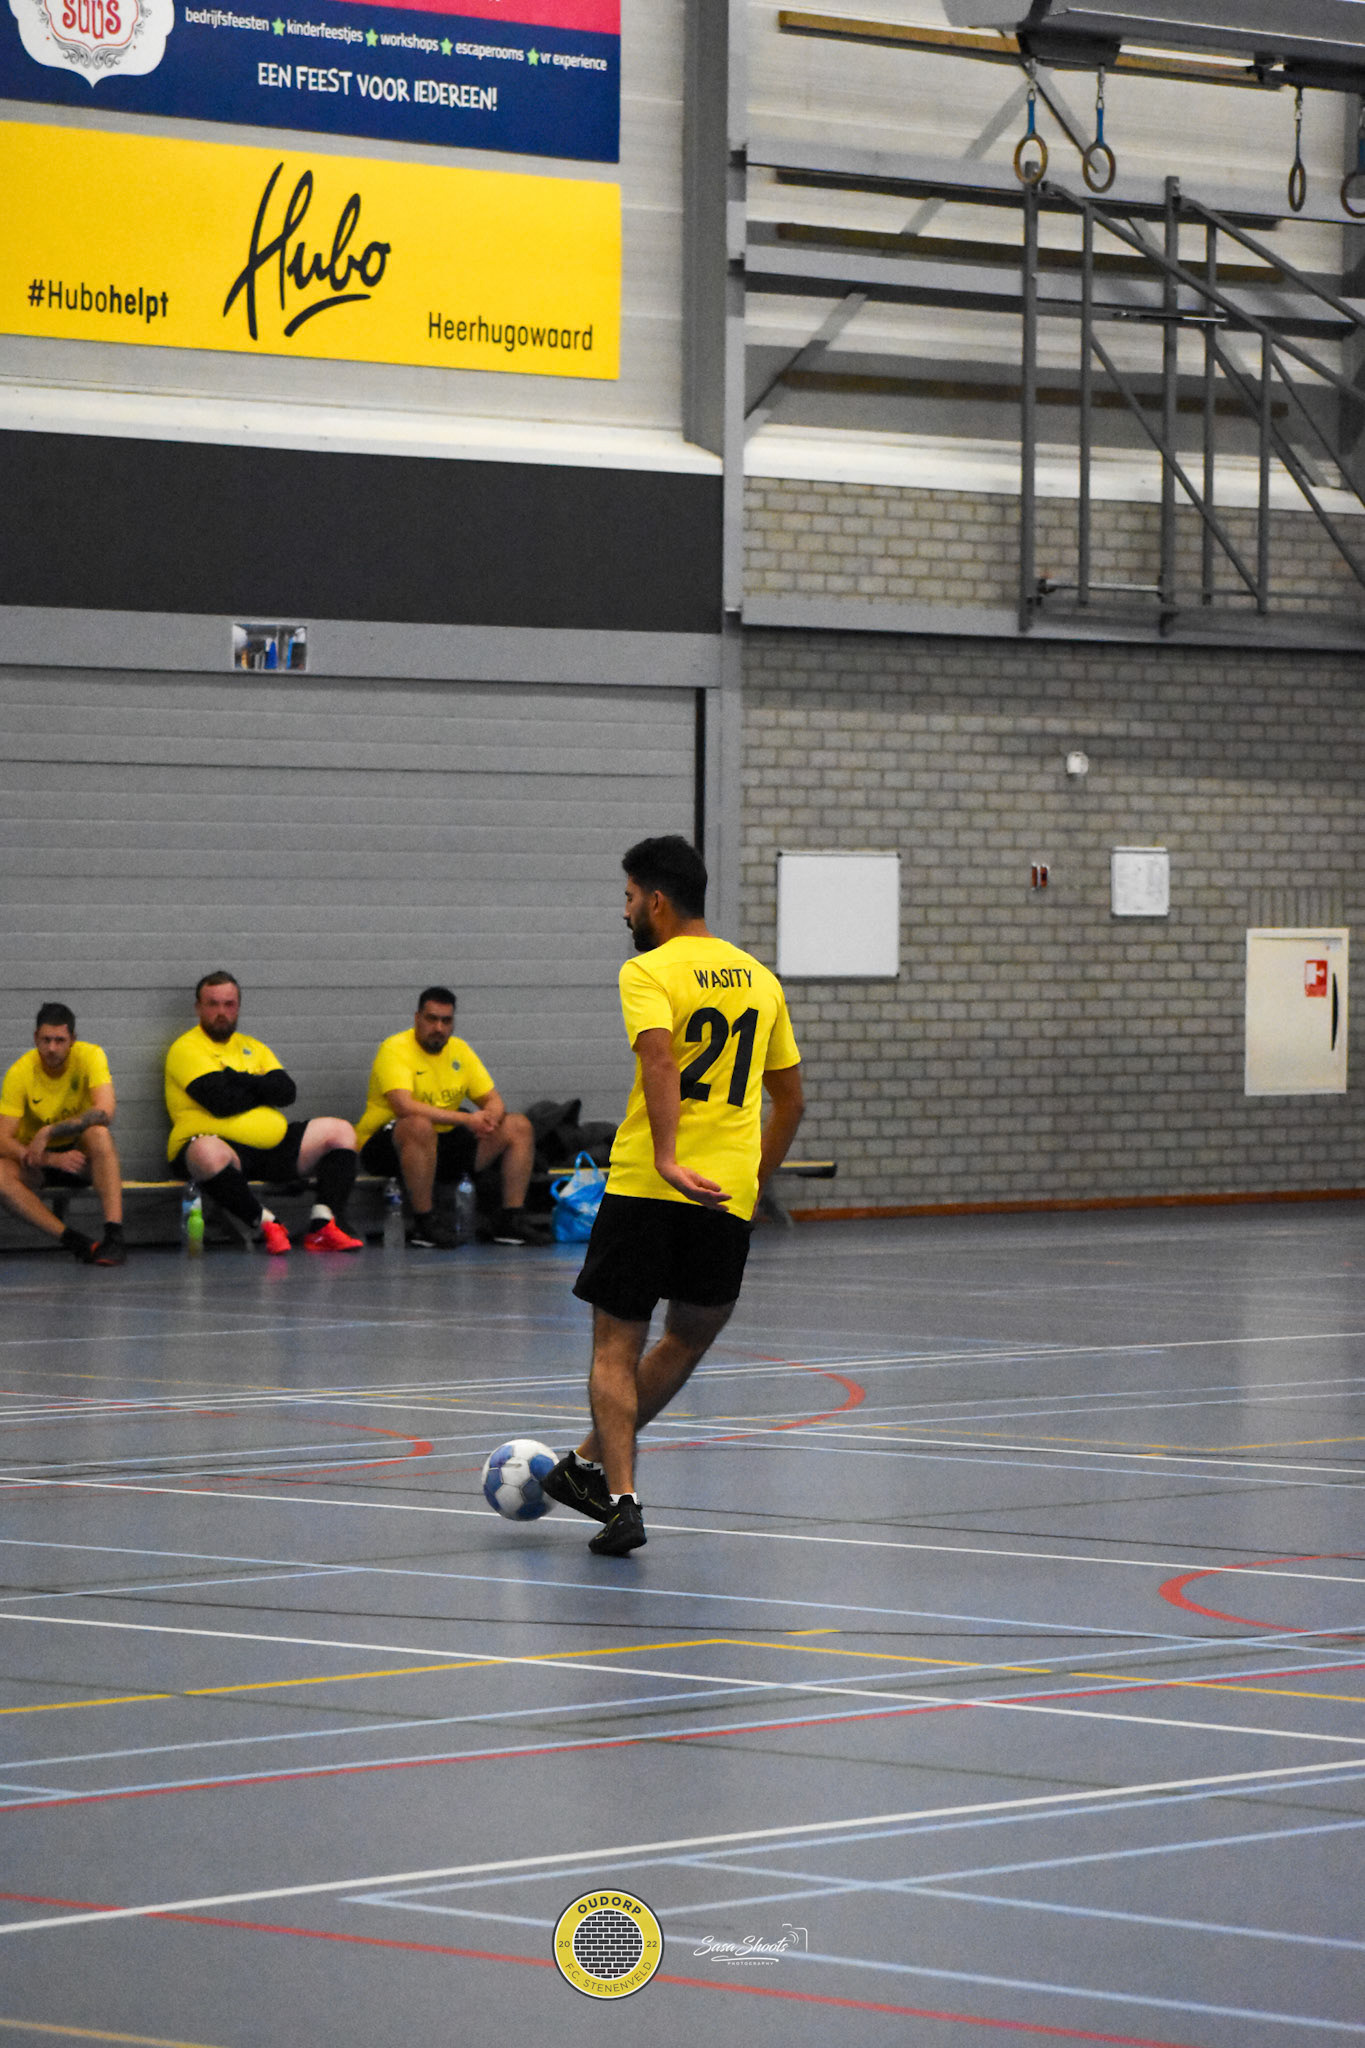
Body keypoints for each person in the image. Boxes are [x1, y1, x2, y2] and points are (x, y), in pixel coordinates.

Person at [544, 835, 804, 1556]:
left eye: (629, 897)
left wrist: (665, 1157)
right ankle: (585, 1468)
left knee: (614, 1345)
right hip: (723, 1196)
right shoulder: (760, 980)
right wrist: (753, 1183)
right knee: (687, 1337)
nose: (624, 911)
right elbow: (791, 1101)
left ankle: (619, 1497)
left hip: (646, 1185)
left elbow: (658, 1060)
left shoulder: (647, 970)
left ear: (656, 901)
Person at [164, 972, 363, 1254]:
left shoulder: (252, 1046)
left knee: (340, 1131)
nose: (221, 1012)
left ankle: (323, 1224)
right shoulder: (186, 1048)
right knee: (205, 1152)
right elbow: (221, 1102)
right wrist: (261, 1086)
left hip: (270, 1147)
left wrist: (238, 1079)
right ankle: (268, 1223)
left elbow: (286, 1091)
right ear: (198, 1008)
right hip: (220, 1149)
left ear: (238, 1007)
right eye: (213, 1004)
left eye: (229, 1004)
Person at [357, 986, 550, 1247]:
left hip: (442, 1142)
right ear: (417, 1018)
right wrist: (468, 1120)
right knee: (418, 1126)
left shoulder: (460, 1050)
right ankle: (424, 1223)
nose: (438, 1027)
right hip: (390, 1144)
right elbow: (404, 1106)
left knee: (517, 1125)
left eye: (446, 1021)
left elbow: (493, 1099)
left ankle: (510, 1220)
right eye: (431, 1019)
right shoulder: (394, 1048)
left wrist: (490, 1119)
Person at [0, 1002, 127, 1264]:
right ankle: (76, 1242)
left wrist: (51, 1130)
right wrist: (50, 1158)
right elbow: (2, 1138)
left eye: (59, 1040)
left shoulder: (90, 1056)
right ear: (35, 1038)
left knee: (99, 1134)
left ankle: (114, 1236)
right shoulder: (20, 1072)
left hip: (80, 1159)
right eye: (46, 1040)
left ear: (73, 1040)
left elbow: (106, 1111)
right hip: (37, 1160)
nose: (52, 1048)